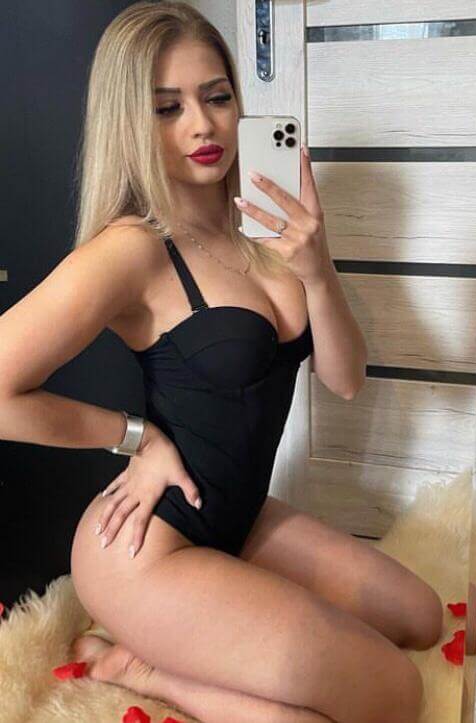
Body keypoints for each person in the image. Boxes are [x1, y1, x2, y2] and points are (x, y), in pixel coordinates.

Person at [0, 3, 443, 721]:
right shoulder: (133, 249)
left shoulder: (264, 229)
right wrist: (137, 437)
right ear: (129, 122)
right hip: (145, 548)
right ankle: (149, 670)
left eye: (216, 97)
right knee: (396, 693)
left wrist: (317, 267)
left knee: (420, 616)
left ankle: (190, 640)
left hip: (238, 516)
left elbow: (345, 379)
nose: (203, 126)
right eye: (167, 107)